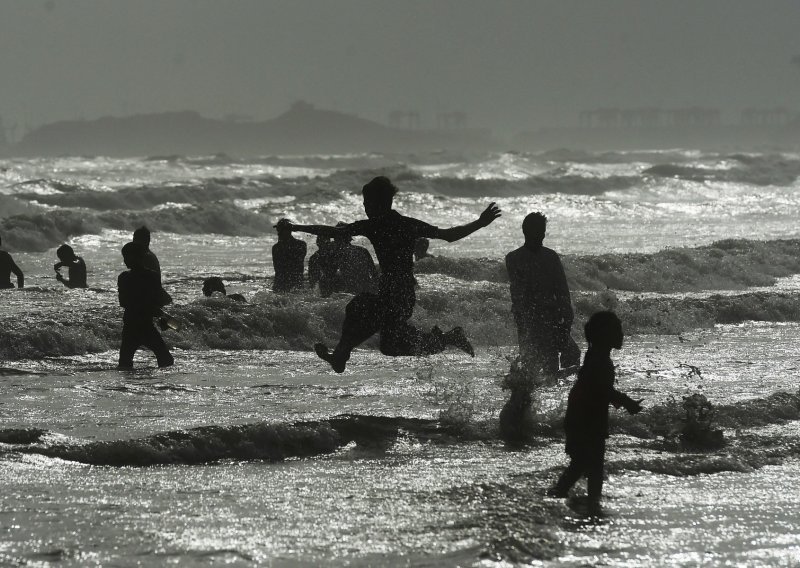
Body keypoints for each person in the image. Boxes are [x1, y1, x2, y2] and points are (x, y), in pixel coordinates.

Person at [283, 175, 501, 373]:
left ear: (378, 203)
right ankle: (447, 338)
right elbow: (449, 235)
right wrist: (480, 223)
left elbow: (333, 232)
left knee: (360, 308)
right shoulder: (405, 224)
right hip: (397, 293)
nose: (365, 207)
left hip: (399, 296)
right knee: (388, 344)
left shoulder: (376, 226)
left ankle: (341, 356)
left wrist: (298, 227)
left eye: (367, 203)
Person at [548, 311, 643, 511]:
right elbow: (603, 389)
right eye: (617, 330)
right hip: (586, 420)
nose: (622, 335)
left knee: (585, 464)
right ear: (604, 335)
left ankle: (583, 500)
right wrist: (627, 402)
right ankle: (576, 498)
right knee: (588, 464)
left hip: (584, 418)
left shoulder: (595, 356)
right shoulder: (600, 361)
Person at [505, 212, 580, 375]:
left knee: (567, 357)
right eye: (538, 230)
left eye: (543, 230)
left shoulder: (549, 257)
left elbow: (563, 293)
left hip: (549, 319)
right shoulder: (514, 259)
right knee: (537, 365)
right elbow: (518, 294)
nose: (542, 235)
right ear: (526, 231)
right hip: (532, 320)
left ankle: (560, 393)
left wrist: (565, 323)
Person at [117, 241, 174, 368]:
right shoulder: (151, 276)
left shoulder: (123, 277)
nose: (125, 261)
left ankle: (127, 385)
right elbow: (157, 300)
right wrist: (160, 314)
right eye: (124, 257)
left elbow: (123, 302)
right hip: (146, 326)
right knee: (165, 359)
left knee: (125, 363)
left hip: (130, 325)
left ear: (139, 257)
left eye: (127, 257)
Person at [333, 222, 378, 295]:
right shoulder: (362, 250)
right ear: (350, 238)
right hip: (368, 290)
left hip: (350, 292)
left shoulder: (337, 254)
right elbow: (374, 274)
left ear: (336, 238)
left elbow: (331, 276)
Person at [272, 219, 307, 292]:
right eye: (278, 230)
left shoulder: (300, 245)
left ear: (288, 231)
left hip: (289, 284)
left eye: (281, 230)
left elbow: (296, 263)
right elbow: (278, 269)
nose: (279, 233)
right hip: (286, 284)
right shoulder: (301, 244)